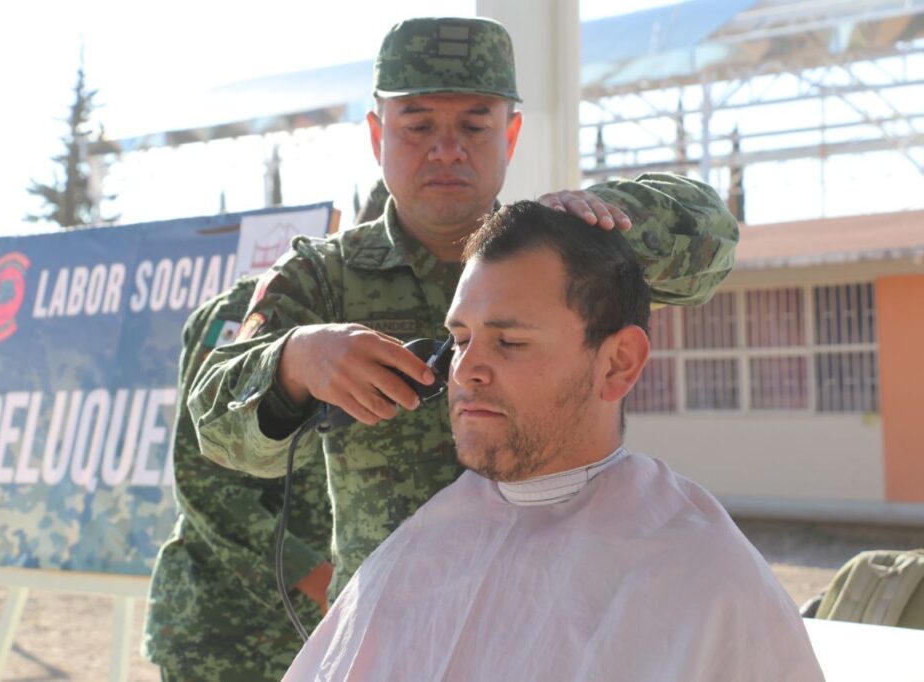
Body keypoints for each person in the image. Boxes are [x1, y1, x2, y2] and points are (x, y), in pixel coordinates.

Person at [188, 16, 739, 605]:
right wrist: (297, 361)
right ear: (377, 137)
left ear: (510, 135)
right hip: (394, 624)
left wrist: (607, 216)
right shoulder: (323, 276)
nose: (446, 150)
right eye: (418, 125)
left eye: (475, 126)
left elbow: (714, 240)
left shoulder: (560, 258)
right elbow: (216, 426)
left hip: (555, 607)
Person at [282, 202, 824, 682]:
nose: (465, 371)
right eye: (460, 339)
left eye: (510, 342)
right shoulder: (418, 550)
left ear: (618, 364)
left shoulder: (699, 577)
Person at [142, 275, 333, 681]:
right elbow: (204, 479)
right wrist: (319, 579)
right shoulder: (253, 311)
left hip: (318, 633)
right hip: (233, 636)